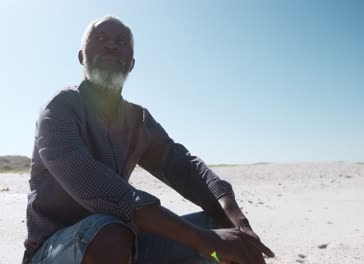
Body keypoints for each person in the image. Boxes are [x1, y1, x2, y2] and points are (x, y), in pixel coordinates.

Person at [23, 15, 274, 264]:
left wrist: (239, 223)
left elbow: (185, 168)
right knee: (108, 230)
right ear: (81, 57)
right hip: (55, 251)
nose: (111, 45)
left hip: (124, 245)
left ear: (131, 63)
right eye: (101, 38)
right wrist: (201, 239)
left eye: (121, 42)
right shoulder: (62, 107)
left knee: (222, 228)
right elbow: (98, 186)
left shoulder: (137, 120)